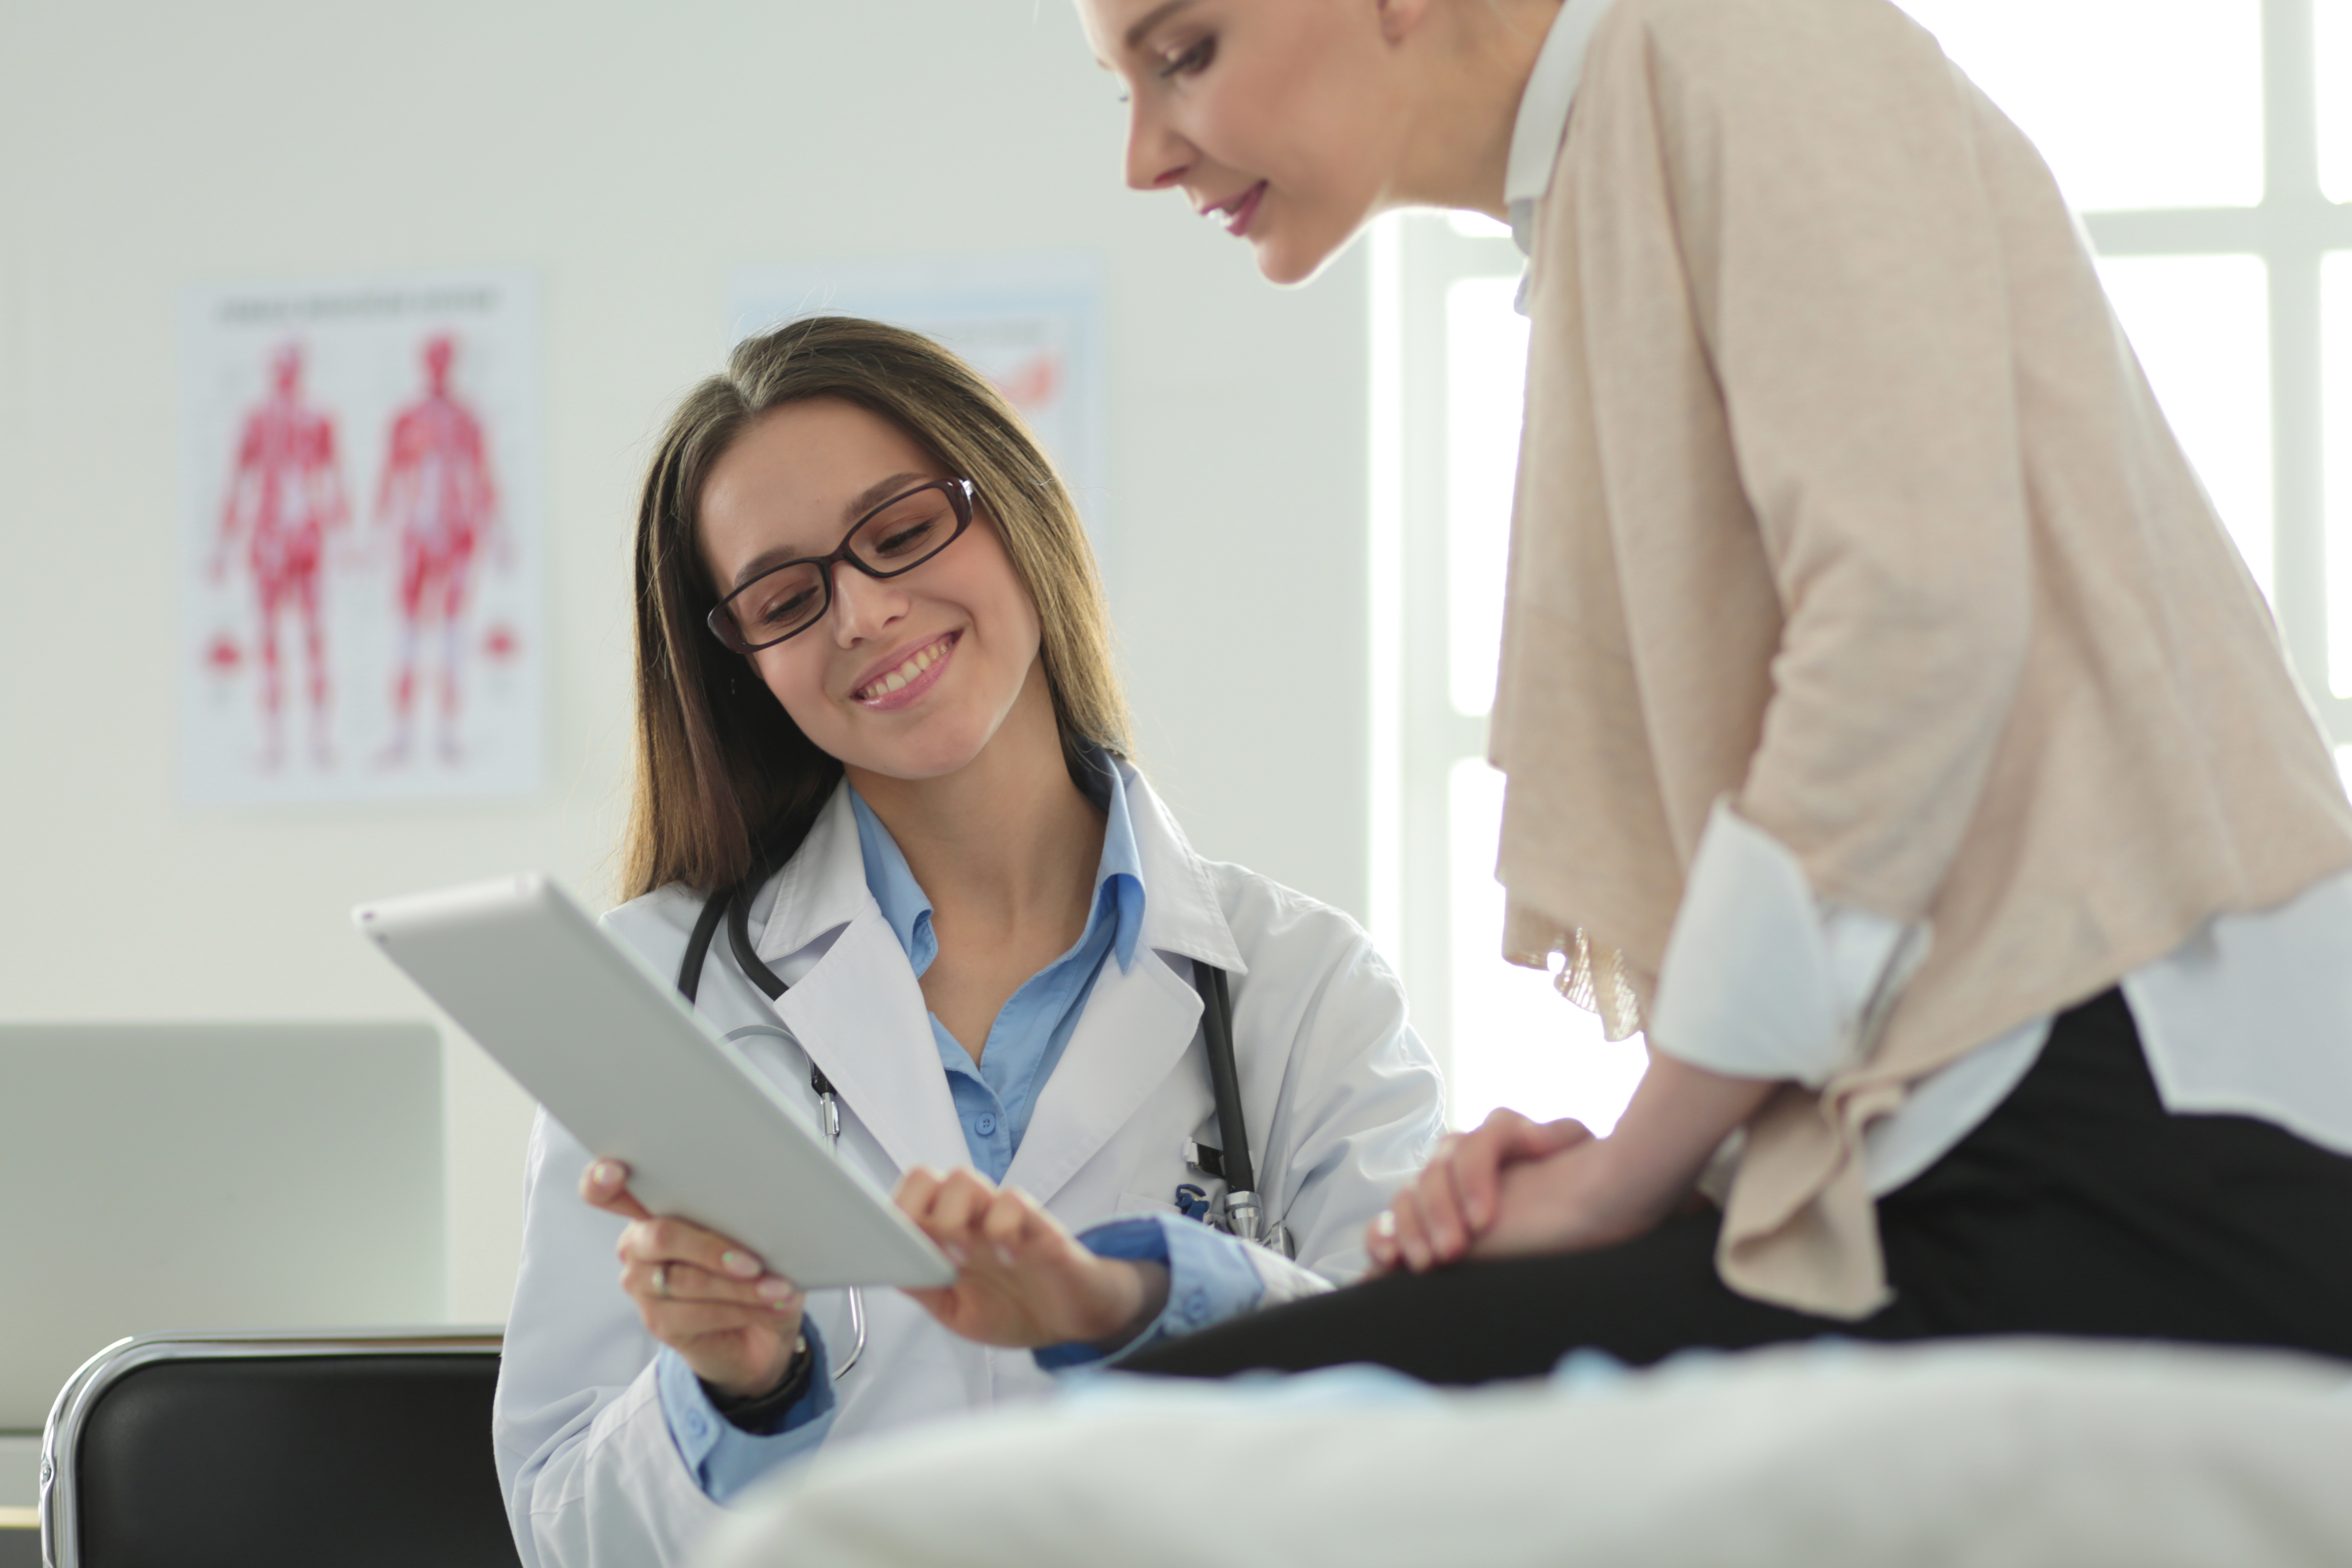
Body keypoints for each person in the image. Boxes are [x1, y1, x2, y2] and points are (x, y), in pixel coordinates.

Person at [1075, 0, 2352, 1383]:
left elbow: (1906, 628)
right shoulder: (1606, 187)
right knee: (1225, 1405)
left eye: (1184, 54)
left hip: (2135, 1124)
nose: (1143, 158)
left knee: (1195, 1418)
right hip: (1966, 1136)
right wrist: (1687, 1165)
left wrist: (1631, 1173)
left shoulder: (1736, 42)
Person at [490, 315, 1444, 1567]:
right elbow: (562, 1528)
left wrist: (1156, 1299)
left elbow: (1424, 1445)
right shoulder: (652, 993)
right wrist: (732, 1396)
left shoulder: (1304, 989)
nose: (863, 613)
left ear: (1017, 509)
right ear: (745, 670)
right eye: (786, 600)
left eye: (899, 534)